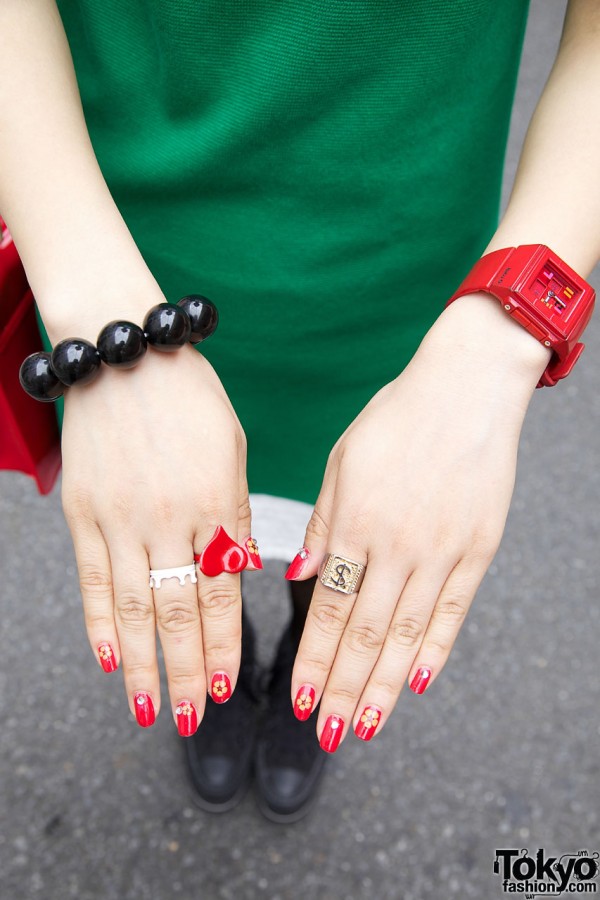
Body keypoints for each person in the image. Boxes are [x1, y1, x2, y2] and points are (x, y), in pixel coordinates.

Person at [1, 0, 598, 824]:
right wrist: (100, 317)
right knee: (187, 538)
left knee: (344, 543)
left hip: (408, 287)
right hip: (114, 248)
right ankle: (221, 654)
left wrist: (502, 339)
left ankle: (299, 673)